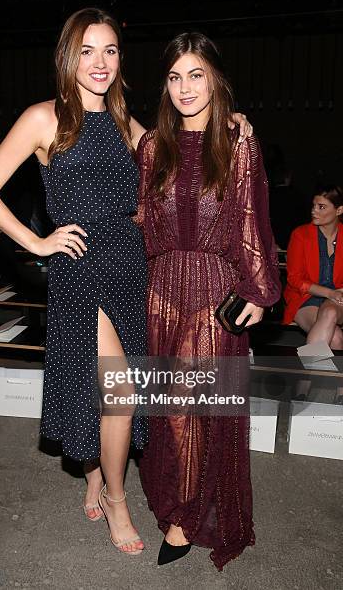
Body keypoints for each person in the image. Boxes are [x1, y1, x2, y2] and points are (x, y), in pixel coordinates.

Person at [0, 8, 252, 557]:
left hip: (132, 268)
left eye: (110, 50)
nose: (99, 62)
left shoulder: (131, 129)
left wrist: (231, 121)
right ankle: (120, 503)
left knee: (110, 392)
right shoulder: (43, 119)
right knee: (119, 392)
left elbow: (185, 152)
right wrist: (37, 243)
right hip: (81, 273)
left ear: (121, 60)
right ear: (68, 58)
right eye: (87, 50)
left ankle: (98, 472)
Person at [135, 33, 281, 568]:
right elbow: (140, 220)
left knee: (196, 410)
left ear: (216, 79)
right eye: (175, 77)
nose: (185, 87)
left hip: (214, 293)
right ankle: (177, 507)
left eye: (196, 75)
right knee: (169, 411)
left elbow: (250, 218)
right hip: (160, 292)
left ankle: (189, 515)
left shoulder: (239, 142)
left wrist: (259, 292)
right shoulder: (152, 145)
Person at [283, 184, 343, 403]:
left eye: (321, 207)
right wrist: (329, 292)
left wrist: (337, 294)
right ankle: (340, 394)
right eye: (313, 206)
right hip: (304, 298)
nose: (314, 211)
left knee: (329, 311)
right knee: (335, 337)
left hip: (338, 299)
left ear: (339, 210)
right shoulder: (301, 235)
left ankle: (304, 382)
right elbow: (294, 280)